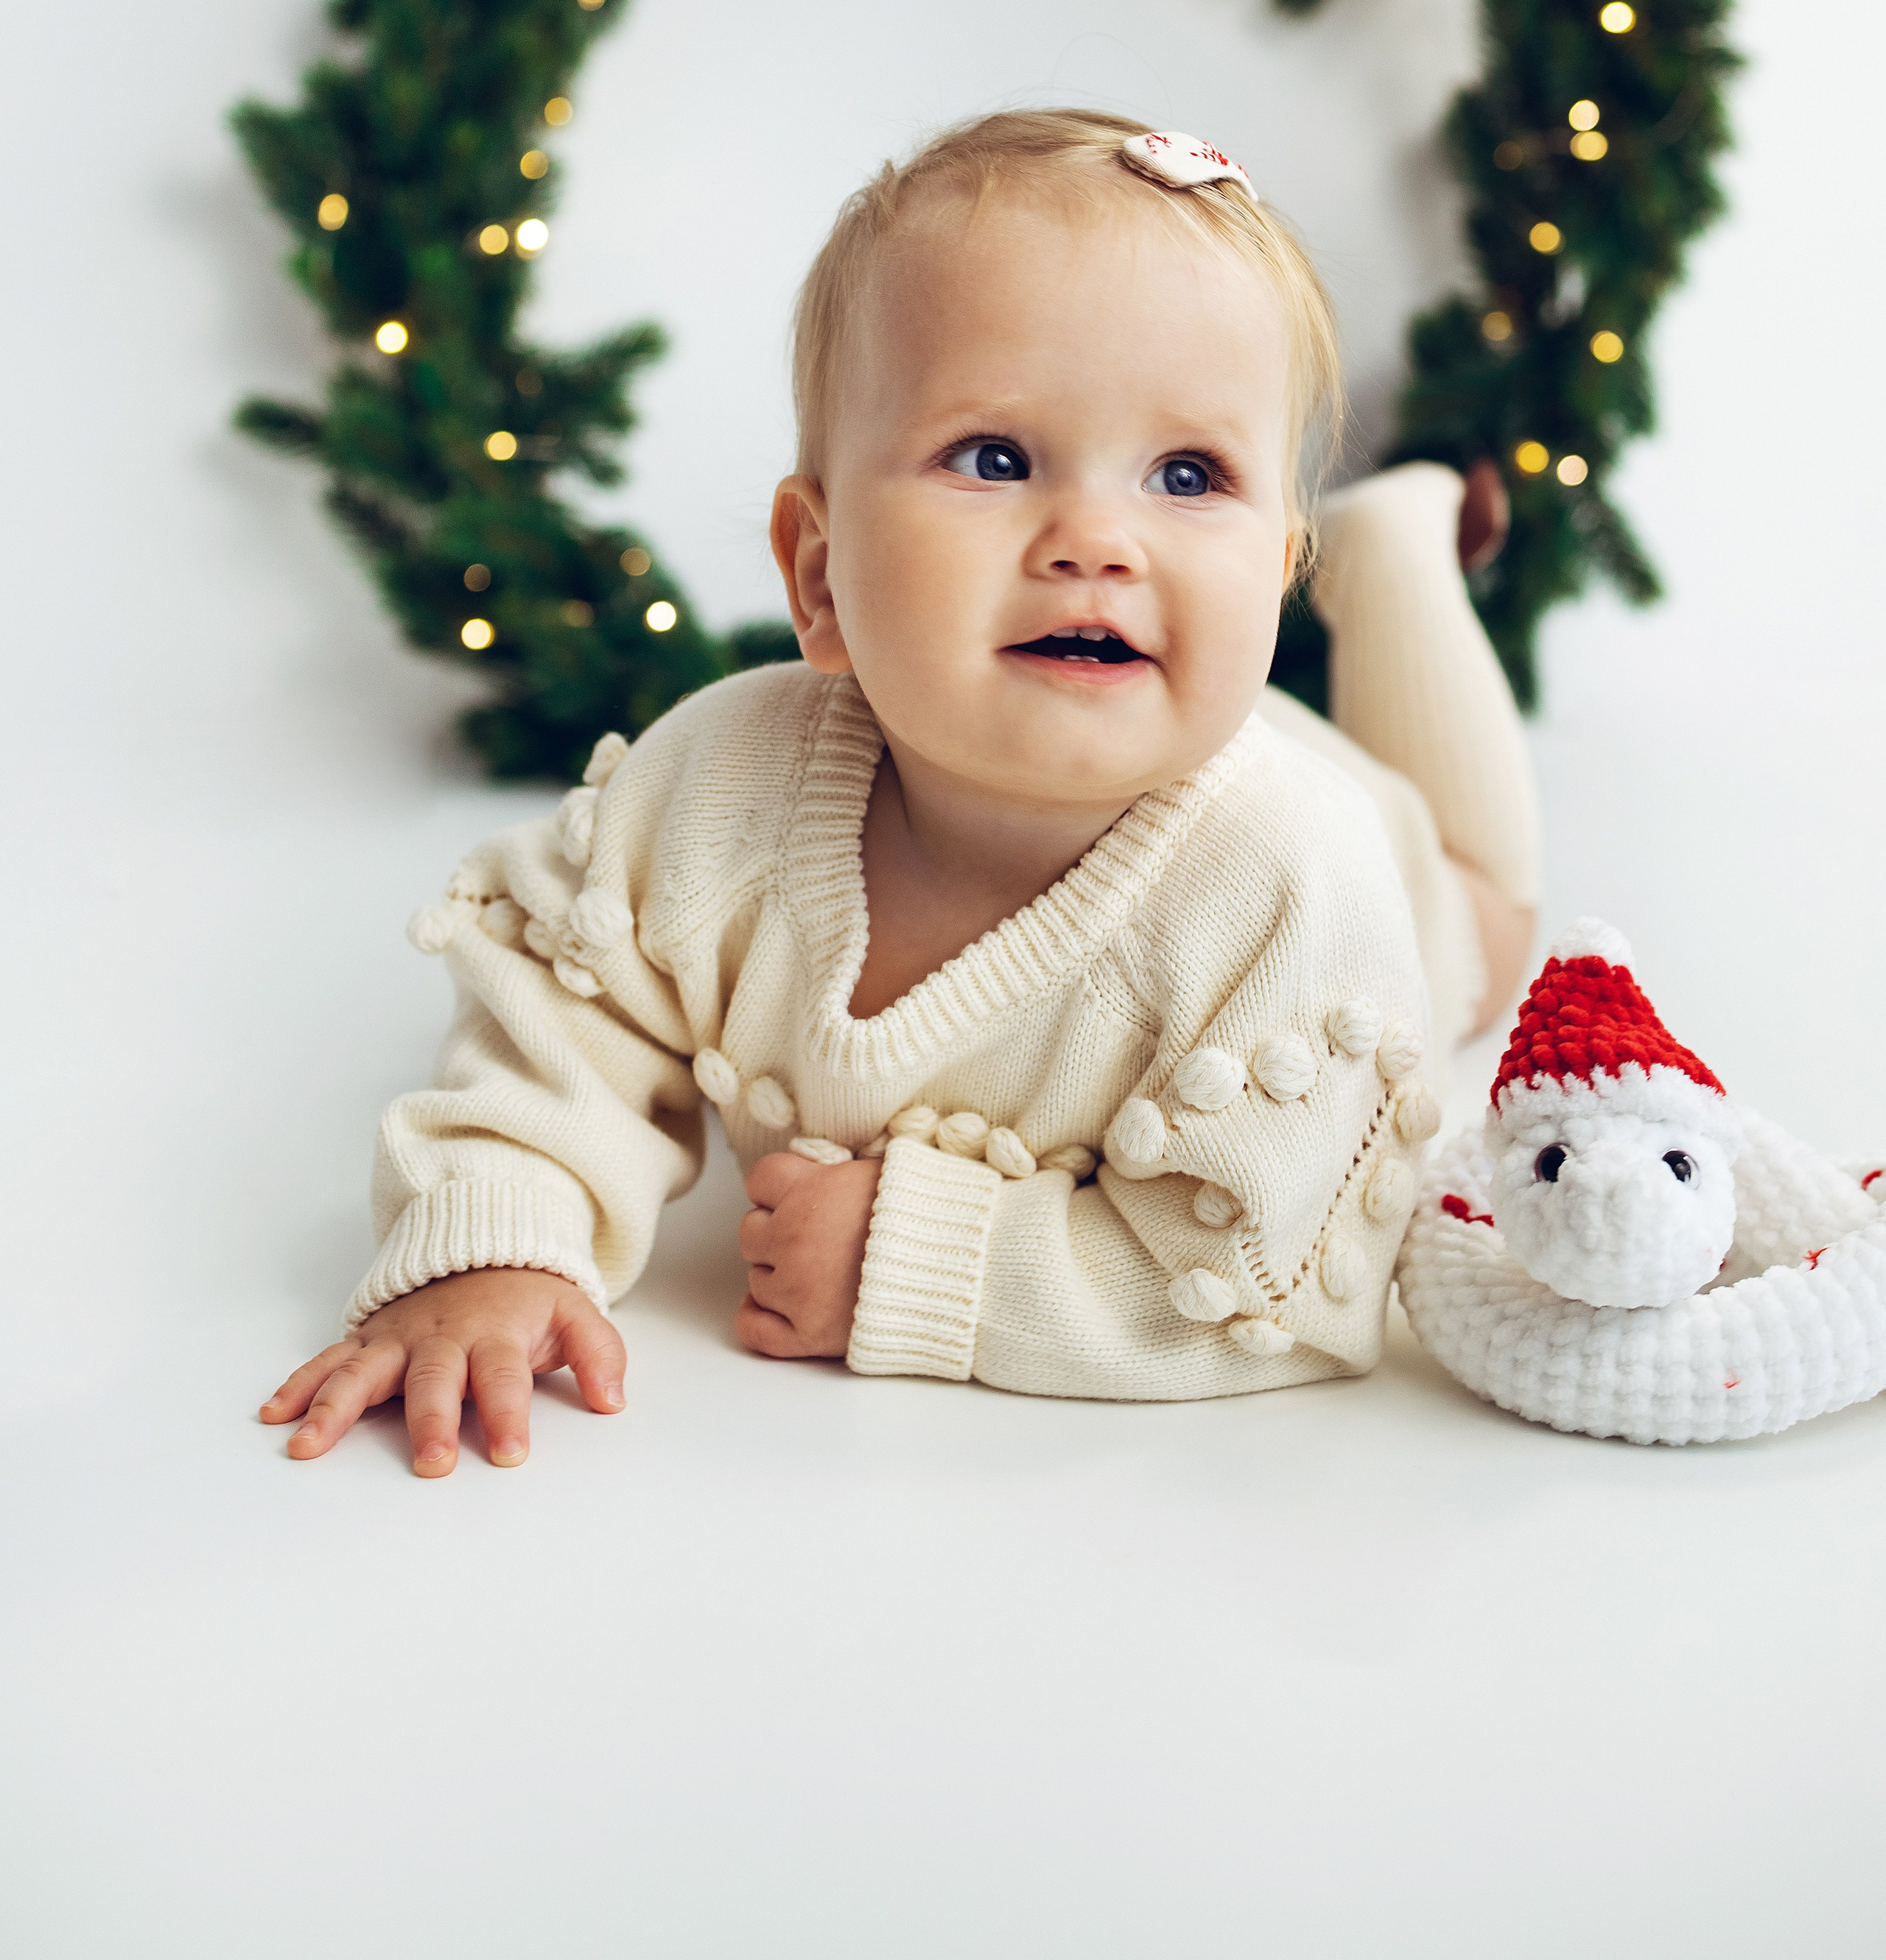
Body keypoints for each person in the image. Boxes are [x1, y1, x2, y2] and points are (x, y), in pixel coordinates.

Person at [262, 109, 1538, 1471]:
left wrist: (925, 1260)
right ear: (819, 573)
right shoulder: (720, 788)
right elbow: (562, 1022)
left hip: (1371, 855)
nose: (1097, 542)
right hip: (1168, 705)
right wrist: (496, 1239)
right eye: (995, 458)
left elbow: (1280, 1292)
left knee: (1494, 905)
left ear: (1272, 571)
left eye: (1189, 475)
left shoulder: (1305, 888)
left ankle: (1391, 548)